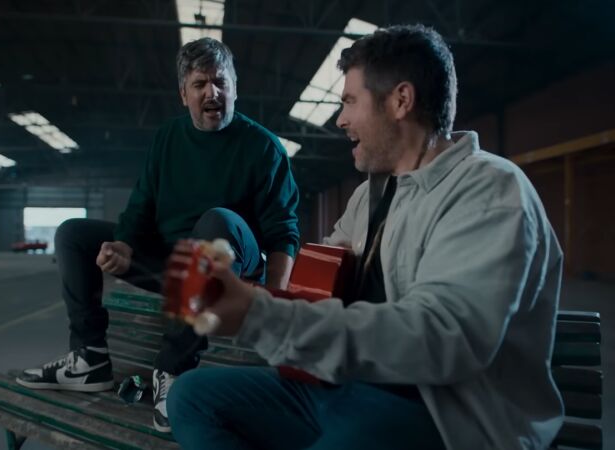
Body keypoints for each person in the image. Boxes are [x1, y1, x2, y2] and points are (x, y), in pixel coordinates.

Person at [166, 24, 564, 450]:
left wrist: (259, 315)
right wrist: (246, 293)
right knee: (189, 398)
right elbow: (316, 285)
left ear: (400, 101)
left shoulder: (489, 190)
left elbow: (441, 340)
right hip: (345, 388)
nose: (341, 119)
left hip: (438, 414)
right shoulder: (369, 196)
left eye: (350, 101)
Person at [16, 37, 300, 433]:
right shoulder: (168, 137)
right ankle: (89, 358)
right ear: (184, 94)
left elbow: (283, 230)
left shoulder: (263, 147)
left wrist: (275, 299)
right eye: (200, 84)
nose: (212, 93)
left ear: (235, 87)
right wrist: (123, 245)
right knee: (73, 233)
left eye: (221, 82)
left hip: (231, 272)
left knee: (215, 221)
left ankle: (174, 370)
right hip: (171, 263)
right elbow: (141, 205)